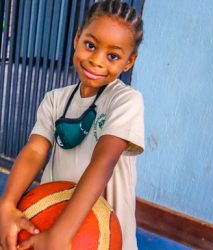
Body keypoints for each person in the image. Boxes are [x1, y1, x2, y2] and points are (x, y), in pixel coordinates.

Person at [0, 0, 144, 249]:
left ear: (129, 62)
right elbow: (34, 151)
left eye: (113, 55)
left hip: (99, 234)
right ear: (77, 39)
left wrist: (62, 234)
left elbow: (103, 162)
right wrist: (7, 205)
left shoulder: (126, 101)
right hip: (52, 218)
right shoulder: (55, 99)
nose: (97, 61)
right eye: (90, 45)